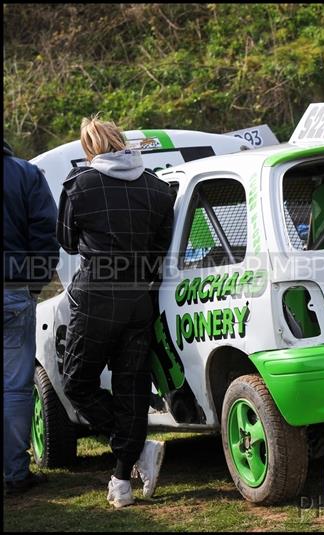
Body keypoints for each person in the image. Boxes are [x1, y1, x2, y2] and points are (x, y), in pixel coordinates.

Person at [58, 115, 175, 507]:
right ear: (123, 142)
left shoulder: (79, 185)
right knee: (132, 390)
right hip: (140, 298)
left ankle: (136, 451)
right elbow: (162, 246)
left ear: (90, 149)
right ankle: (122, 483)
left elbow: (69, 243)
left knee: (77, 384)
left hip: (96, 297)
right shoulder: (159, 189)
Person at [4, 140, 60, 496]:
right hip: (13, 290)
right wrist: (34, 285)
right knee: (14, 387)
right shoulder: (25, 174)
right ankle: (14, 473)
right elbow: (45, 233)